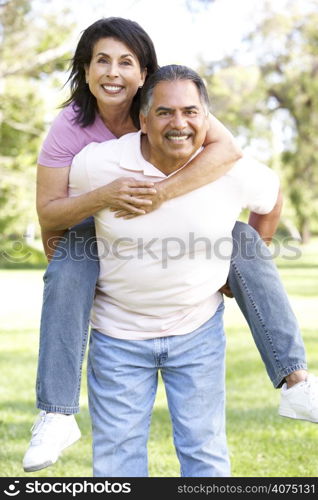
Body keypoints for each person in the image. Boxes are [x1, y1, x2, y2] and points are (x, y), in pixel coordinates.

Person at [22, 17, 317, 474]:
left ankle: (295, 379)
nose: (113, 73)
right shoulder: (75, 135)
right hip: (104, 270)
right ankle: (57, 412)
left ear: (144, 75)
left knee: (240, 239)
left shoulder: (176, 104)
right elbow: (50, 213)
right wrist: (102, 204)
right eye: (102, 61)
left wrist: (164, 194)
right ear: (85, 69)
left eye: (126, 62)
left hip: (192, 322)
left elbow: (231, 155)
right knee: (70, 258)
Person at [68, 64, 281, 477]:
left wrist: (241, 264)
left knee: (204, 453)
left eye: (191, 111)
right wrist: (73, 275)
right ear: (143, 120)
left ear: (206, 119)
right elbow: (58, 213)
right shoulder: (97, 164)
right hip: (118, 334)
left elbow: (270, 201)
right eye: (165, 112)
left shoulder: (231, 168)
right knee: (117, 461)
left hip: (197, 329)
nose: (179, 123)